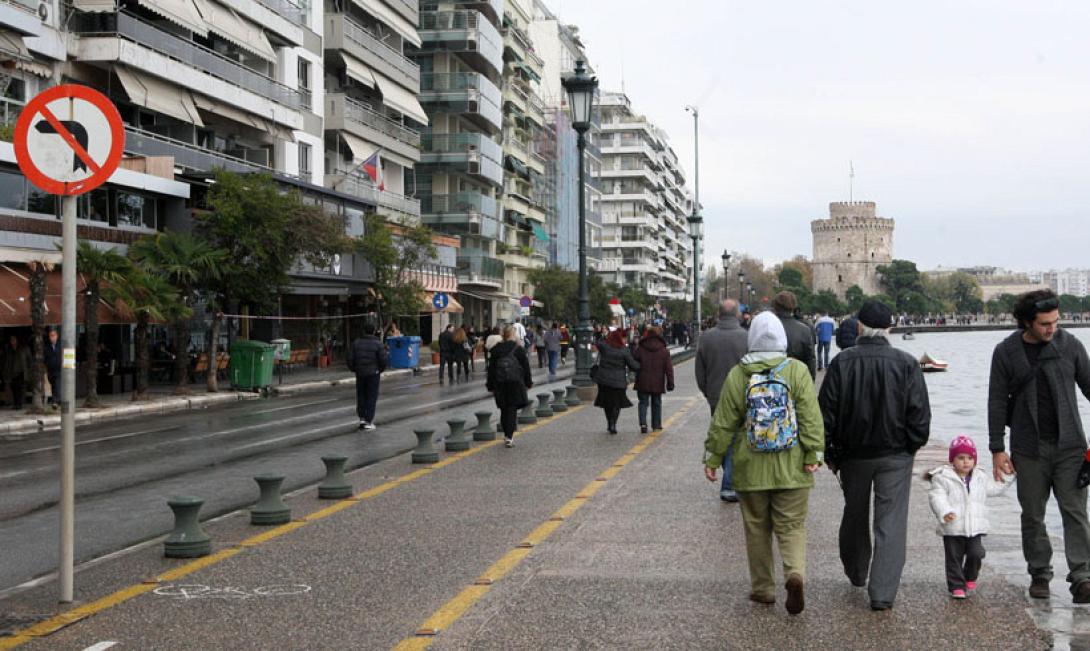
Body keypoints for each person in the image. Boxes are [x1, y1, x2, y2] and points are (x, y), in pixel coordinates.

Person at [702, 312, 824, 614]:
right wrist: (814, 454)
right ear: (782, 339)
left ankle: (763, 589)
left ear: (751, 338)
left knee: (756, 528)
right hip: (793, 466)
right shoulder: (796, 371)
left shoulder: (738, 374)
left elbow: (724, 422)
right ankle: (795, 573)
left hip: (750, 465)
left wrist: (713, 458)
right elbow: (810, 417)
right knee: (792, 526)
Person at [820, 300, 931, 611]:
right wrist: (911, 445)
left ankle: (856, 571)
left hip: (853, 453)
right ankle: (882, 591)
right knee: (891, 521)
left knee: (854, 513)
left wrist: (830, 452)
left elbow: (825, 413)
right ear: (890, 328)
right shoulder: (907, 363)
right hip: (895, 452)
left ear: (858, 327)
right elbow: (920, 414)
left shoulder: (842, 363)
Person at [988, 289, 1090, 601]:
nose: (1052, 328)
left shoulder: (1070, 345)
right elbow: (996, 402)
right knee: (1033, 514)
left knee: (1075, 513)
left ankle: (1083, 577)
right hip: (1028, 448)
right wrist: (997, 449)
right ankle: (1040, 574)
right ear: (1027, 323)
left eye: (1055, 322)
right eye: (1045, 323)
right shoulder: (1006, 352)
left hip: (1071, 446)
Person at [926, 436, 1012, 599]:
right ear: (952, 459)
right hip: (953, 526)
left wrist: (1008, 476)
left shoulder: (980, 477)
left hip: (974, 527)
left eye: (970, 458)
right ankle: (956, 586)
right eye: (961, 458)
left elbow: (995, 489)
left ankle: (970, 576)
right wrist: (945, 512)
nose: (966, 462)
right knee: (954, 558)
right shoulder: (943, 478)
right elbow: (937, 497)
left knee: (977, 553)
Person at [695, 299, 750, 503]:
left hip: (716, 396)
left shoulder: (706, 338)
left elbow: (700, 371)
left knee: (723, 436)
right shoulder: (746, 337)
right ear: (737, 314)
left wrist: (708, 392)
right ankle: (731, 484)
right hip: (743, 395)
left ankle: (730, 481)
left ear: (718, 314)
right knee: (738, 438)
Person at [486, 326, 533, 448]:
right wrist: (528, 382)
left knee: (504, 408)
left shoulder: (496, 349)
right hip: (515, 382)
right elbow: (526, 367)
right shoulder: (518, 349)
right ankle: (509, 436)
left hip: (500, 383)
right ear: (513, 335)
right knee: (512, 409)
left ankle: (506, 433)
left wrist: (490, 385)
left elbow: (491, 369)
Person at [593, 328, 640, 434]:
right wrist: (643, 365)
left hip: (604, 380)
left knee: (607, 403)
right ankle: (613, 423)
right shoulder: (624, 350)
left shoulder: (605, 347)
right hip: (618, 381)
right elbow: (633, 365)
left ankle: (609, 422)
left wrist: (604, 335)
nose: (625, 340)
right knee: (616, 404)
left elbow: (597, 342)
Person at [346, 323, 387, 430]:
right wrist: (379, 370)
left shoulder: (356, 343)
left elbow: (350, 358)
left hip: (360, 373)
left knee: (361, 395)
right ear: (374, 331)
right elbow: (383, 359)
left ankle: (362, 418)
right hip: (373, 373)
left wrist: (355, 369)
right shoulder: (378, 344)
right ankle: (368, 420)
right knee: (371, 396)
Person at [633, 325, 673, 433]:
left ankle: (643, 424)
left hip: (642, 380)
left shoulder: (641, 348)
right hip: (657, 381)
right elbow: (669, 368)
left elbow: (634, 361)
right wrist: (670, 382)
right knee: (657, 402)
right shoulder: (663, 350)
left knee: (643, 402)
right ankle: (656, 424)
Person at [771, 292, 816, 380]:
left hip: (772, 380)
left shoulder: (769, 327)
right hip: (797, 378)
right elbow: (810, 358)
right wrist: (810, 380)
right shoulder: (804, 330)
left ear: (776, 307)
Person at [2, 334, 30, 410]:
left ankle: (19, 404)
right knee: (13, 388)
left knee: (19, 388)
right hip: (12, 372)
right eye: (11, 340)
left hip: (21, 372)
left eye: (14, 339)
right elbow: (6, 361)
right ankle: (16, 403)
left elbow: (29, 360)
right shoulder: (9, 350)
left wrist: (27, 370)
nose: (12, 341)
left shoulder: (23, 348)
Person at [44, 328, 62, 408]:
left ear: (57, 336)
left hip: (59, 370)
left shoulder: (60, 345)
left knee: (57, 384)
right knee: (54, 385)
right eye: (50, 336)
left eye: (53, 335)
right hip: (50, 370)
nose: (52, 338)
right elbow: (45, 358)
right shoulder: (47, 347)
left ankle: (56, 401)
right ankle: (57, 401)